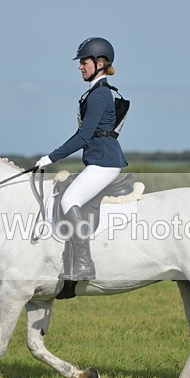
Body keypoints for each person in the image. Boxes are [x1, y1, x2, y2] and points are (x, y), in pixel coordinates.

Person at [35, 37, 128, 282]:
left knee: (70, 199)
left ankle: (85, 264)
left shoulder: (99, 95)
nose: (80, 66)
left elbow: (84, 135)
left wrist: (51, 157)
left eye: (84, 62)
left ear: (99, 63)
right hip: (99, 160)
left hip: (105, 162)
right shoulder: (95, 92)